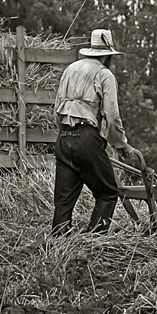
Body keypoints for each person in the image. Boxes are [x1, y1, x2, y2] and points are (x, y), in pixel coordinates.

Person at [51, 29, 139, 235]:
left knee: (63, 201)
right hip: (86, 138)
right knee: (108, 192)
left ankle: (58, 244)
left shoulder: (70, 70)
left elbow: (56, 107)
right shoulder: (104, 74)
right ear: (107, 55)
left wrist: (65, 135)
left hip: (63, 138)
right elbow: (112, 115)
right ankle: (94, 242)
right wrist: (121, 145)